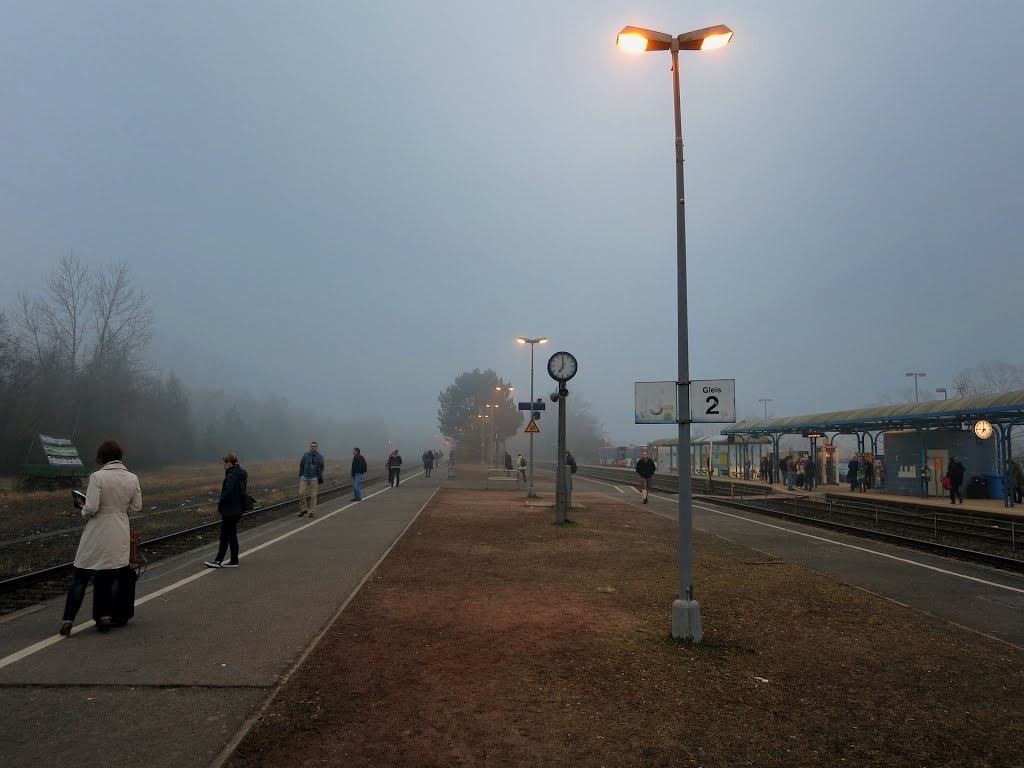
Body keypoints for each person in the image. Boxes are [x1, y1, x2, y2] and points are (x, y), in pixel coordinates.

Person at [59, 440, 142, 636]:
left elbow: (92, 507)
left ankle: (68, 621)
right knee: (111, 576)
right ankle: (105, 617)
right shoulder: (132, 478)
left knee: (81, 577)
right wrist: (120, 511)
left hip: (98, 530)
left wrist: (83, 509)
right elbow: (136, 506)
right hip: (119, 529)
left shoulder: (97, 477)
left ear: (102, 457)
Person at [205, 453, 248, 569]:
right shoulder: (241, 475)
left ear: (229, 463)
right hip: (238, 509)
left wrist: (221, 504)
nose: (223, 465)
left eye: (224, 463)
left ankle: (218, 561)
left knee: (224, 536)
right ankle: (234, 560)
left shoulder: (231, 476)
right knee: (232, 535)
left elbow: (227, 493)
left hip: (230, 510)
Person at [297, 441, 324, 517]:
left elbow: (321, 467)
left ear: (317, 447)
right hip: (304, 477)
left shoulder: (319, 456)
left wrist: (318, 476)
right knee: (301, 493)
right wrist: (301, 474)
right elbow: (301, 464)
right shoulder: (306, 455)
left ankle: (312, 511)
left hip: (313, 478)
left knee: (313, 495)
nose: (313, 447)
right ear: (310, 447)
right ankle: (304, 509)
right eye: (312, 446)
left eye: (314, 446)